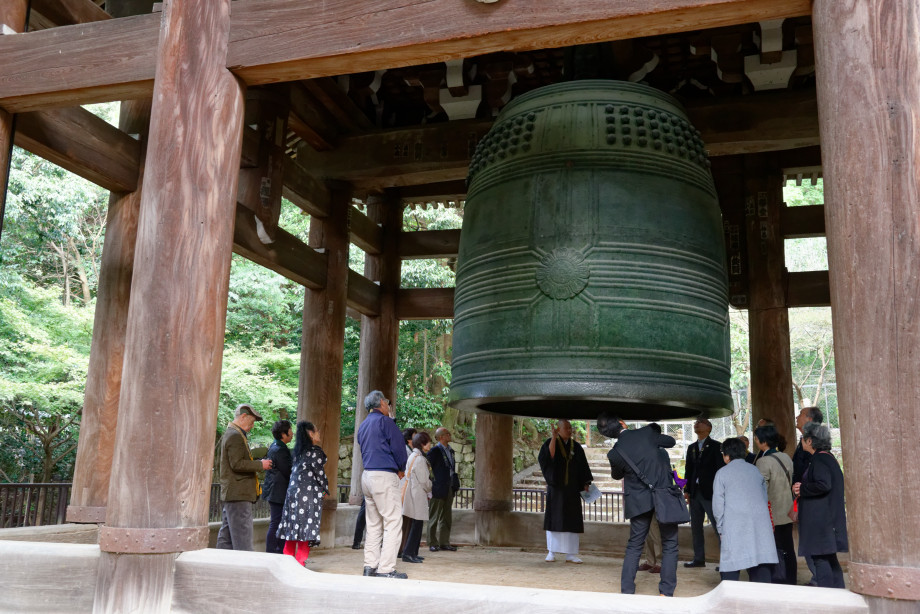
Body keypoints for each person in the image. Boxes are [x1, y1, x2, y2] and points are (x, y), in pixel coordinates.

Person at [600, 413, 679, 597]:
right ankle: (666, 592)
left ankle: (627, 590)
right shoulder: (646, 434)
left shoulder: (614, 453)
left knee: (634, 545)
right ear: (622, 422)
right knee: (670, 544)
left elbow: (616, 476)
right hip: (663, 497)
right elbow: (670, 442)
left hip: (638, 501)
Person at [356, 390, 408, 579]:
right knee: (393, 521)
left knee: (374, 524)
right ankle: (386, 569)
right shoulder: (386, 422)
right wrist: (401, 467)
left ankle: (370, 566)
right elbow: (398, 447)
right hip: (384, 476)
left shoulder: (362, 425)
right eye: (387, 402)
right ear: (381, 404)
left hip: (367, 475)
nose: (388, 405)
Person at [712, 437, 778, 583]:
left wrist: (721, 528)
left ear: (727, 455)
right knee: (759, 559)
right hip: (759, 523)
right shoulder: (755, 470)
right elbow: (764, 497)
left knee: (731, 565)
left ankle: (732, 599)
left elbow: (717, 506)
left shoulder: (722, 473)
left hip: (734, 523)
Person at [793, 422, 848, 588]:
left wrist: (803, 488)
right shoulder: (827, 457)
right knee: (829, 559)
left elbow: (823, 484)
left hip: (821, 522)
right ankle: (839, 593)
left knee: (820, 559)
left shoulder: (819, 459)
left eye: (803, 438)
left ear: (810, 441)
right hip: (827, 519)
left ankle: (829, 597)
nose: (801, 441)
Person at [217, 403, 272, 551]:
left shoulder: (231, 433)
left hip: (233, 493)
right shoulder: (235, 435)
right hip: (238, 494)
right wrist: (260, 465)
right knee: (243, 537)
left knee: (226, 536)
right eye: (252, 422)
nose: (253, 426)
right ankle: (246, 569)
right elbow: (237, 464)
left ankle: (219, 565)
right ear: (243, 417)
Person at [538, 419, 593, 564]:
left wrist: (586, 482)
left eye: (570, 428)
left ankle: (571, 554)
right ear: (559, 429)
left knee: (572, 521)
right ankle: (551, 552)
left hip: (572, 490)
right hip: (556, 489)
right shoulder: (550, 442)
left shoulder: (576, 446)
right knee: (554, 521)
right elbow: (548, 458)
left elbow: (583, 467)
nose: (570, 430)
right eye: (567, 428)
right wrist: (554, 437)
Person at [276, 421, 328, 566]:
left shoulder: (296, 453)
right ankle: (300, 563)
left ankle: (288, 562)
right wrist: (324, 489)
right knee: (306, 528)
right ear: (310, 433)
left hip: (292, 495)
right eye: (316, 431)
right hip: (308, 496)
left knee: (292, 528)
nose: (318, 433)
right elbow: (320, 475)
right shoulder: (316, 452)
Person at [753, 423, 796, 584]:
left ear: (763, 441)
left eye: (757, 439)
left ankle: (778, 579)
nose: (756, 441)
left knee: (774, 549)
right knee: (788, 548)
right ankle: (791, 578)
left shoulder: (763, 462)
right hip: (787, 510)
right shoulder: (785, 457)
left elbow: (761, 489)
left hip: (772, 514)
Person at [683, 417, 724, 567]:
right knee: (696, 527)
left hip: (710, 492)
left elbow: (720, 469)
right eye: (695, 423)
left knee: (717, 526)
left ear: (708, 428)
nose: (696, 424)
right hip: (695, 492)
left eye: (700, 422)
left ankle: (724, 560)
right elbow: (688, 469)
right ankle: (699, 558)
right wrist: (687, 489)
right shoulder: (691, 447)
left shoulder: (716, 446)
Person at [792, 404, 824, 585]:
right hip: (804, 495)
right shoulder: (805, 438)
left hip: (811, 498)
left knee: (813, 540)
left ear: (809, 420)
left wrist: (801, 488)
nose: (797, 417)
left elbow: (811, 470)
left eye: (801, 415)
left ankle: (820, 578)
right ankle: (818, 577)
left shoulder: (816, 440)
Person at [401, 432, 433, 564]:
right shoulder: (419, 459)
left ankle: (413, 552)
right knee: (416, 525)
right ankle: (408, 553)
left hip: (414, 492)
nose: (430, 444)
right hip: (417, 494)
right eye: (428, 442)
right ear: (422, 443)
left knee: (417, 524)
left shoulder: (415, 456)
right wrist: (431, 487)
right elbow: (424, 480)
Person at [639, 424, 666, 574]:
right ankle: (650, 560)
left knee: (655, 530)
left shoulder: (661, 453)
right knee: (647, 531)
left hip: (656, 496)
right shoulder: (645, 452)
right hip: (645, 497)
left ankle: (660, 562)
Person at [262, 419, 293, 554]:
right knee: (276, 523)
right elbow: (287, 470)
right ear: (283, 434)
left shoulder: (277, 447)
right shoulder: (279, 450)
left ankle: (278, 551)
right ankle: (273, 551)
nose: (292, 434)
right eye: (290, 431)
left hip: (276, 491)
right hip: (278, 492)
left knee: (279, 522)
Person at [427, 427, 460, 552]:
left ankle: (444, 542)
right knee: (434, 516)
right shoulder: (434, 451)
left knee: (447, 516)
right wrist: (432, 484)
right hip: (438, 487)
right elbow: (428, 468)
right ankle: (432, 542)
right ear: (441, 437)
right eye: (447, 434)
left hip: (449, 486)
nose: (450, 435)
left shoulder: (450, 450)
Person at [397, 427, 418, 556]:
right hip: (403, 486)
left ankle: (404, 547)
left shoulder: (412, 452)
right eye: (415, 436)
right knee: (402, 519)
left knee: (408, 519)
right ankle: (399, 548)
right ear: (409, 439)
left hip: (409, 487)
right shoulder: (404, 450)